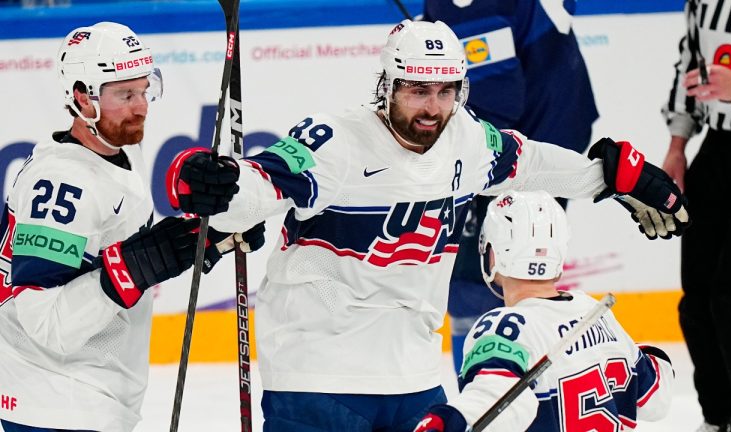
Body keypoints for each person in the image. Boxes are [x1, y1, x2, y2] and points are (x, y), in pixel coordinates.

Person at [167, 19, 688, 431]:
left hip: (416, 382)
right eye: (417, 91)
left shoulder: (466, 139)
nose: (432, 109)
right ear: (386, 86)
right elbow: (259, 186)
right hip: (320, 381)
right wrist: (212, 182)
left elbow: (529, 163)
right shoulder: (335, 144)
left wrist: (607, 177)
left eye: (445, 92)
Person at [0, 22, 259, 432]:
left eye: (144, 90)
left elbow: (121, 261)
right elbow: (44, 323)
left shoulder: (110, 155)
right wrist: (136, 266)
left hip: (85, 399)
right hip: (55, 403)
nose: (142, 106)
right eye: (125, 94)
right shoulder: (62, 183)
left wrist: (206, 241)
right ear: (83, 97)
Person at [422, 0, 600, 374]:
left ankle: (492, 398)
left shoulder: (468, 6)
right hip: (548, 136)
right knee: (517, 279)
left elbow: (497, 99)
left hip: (526, 148)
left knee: (482, 281)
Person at [413, 190, 674, 432]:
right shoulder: (596, 313)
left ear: (492, 254)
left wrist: (446, 421)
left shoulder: (504, 327)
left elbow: (494, 401)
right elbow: (656, 399)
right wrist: (646, 354)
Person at [661, 1, 731, 431]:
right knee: (699, 297)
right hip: (720, 150)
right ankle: (722, 417)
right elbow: (691, 58)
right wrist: (676, 145)